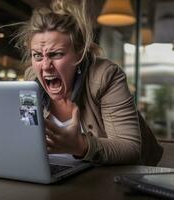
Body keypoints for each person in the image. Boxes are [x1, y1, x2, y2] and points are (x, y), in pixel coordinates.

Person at [15, 0, 163, 165]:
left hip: (112, 178)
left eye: (56, 54)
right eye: (37, 55)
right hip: (54, 174)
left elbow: (130, 148)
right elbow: (28, 133)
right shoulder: (31, 78)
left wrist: (80, 145)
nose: (45, 66)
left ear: (79, 54)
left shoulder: (106, 75)